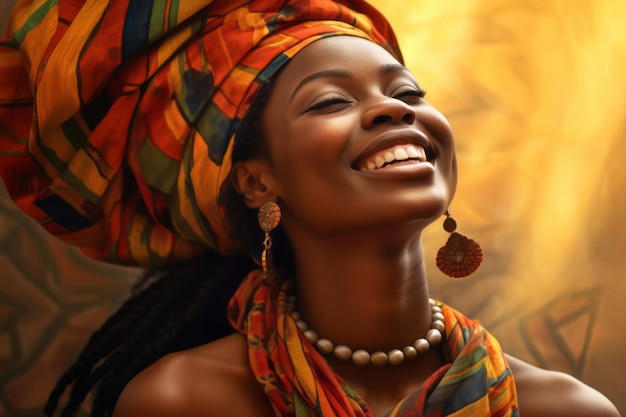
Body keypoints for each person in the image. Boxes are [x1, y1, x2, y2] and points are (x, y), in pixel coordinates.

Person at [0, 1, 620, 416]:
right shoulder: (186, 401)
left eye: (407, 91)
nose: (395, 109)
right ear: (254, 183)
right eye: (329, 103)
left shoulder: (566, 409)